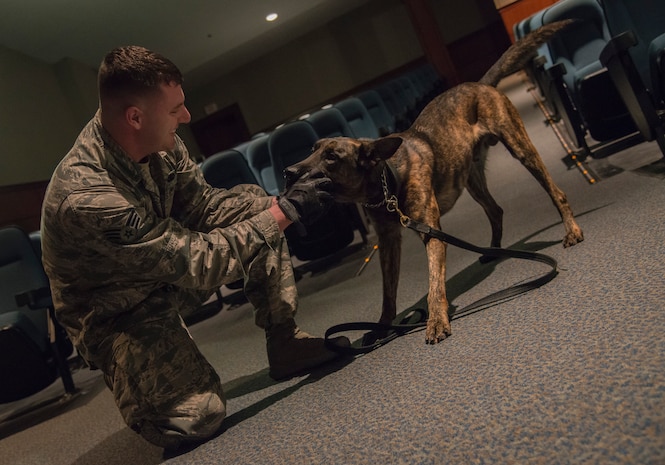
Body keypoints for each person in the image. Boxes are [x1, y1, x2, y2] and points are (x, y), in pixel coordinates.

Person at [40, 45, 349, 449]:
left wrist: (275, 205)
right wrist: (284, 215)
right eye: (176, 110)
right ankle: (140, 388)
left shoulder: (160, 143)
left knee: (252, 205)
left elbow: (203, 207)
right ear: (135, 117)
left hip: (164, 276)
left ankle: (285, 342)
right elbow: (195, 262)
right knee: (198, 419)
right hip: (119, 314)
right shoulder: (85, 197)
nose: (186, 117)